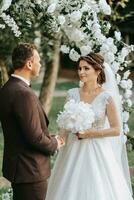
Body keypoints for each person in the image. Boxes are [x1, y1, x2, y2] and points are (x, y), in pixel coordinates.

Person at [45, 52, 133, 200]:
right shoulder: (72, 94)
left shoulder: (106, 97)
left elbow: (117, 129)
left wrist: (90, 134)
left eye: (86, 68)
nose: (81, 72)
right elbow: (66, 125)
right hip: (72, 150)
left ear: (97, 71)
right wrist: (59, 139)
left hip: (97, 150)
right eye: (79, 68)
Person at [0, 43, 65, 200]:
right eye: (38, 60)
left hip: (19, 168)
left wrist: (50, 137)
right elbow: (34, 137)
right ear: (29, 64)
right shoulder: (23, 94)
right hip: (30, 170)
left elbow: (22, 130)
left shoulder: (7, 88)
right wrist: (55, 143)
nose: (40, 64)